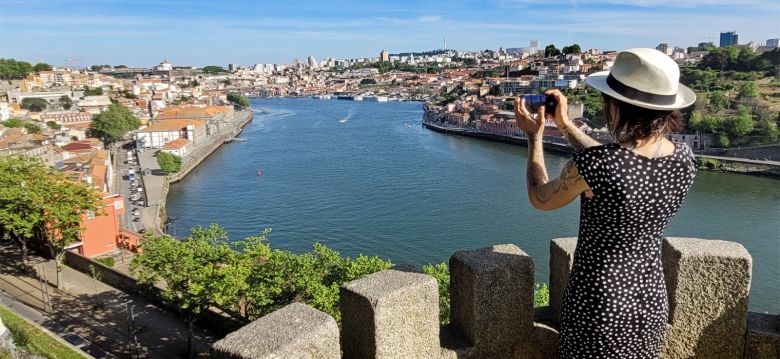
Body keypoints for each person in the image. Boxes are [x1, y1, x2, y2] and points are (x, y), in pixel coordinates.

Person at [513, 48, 697, 358]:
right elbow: (623, 162)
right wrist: (567, 126)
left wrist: (535, 138)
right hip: (649, 301)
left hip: (599, 306)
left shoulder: (597, 165)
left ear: (616, 107)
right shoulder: (685, 159)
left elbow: (540, 198)